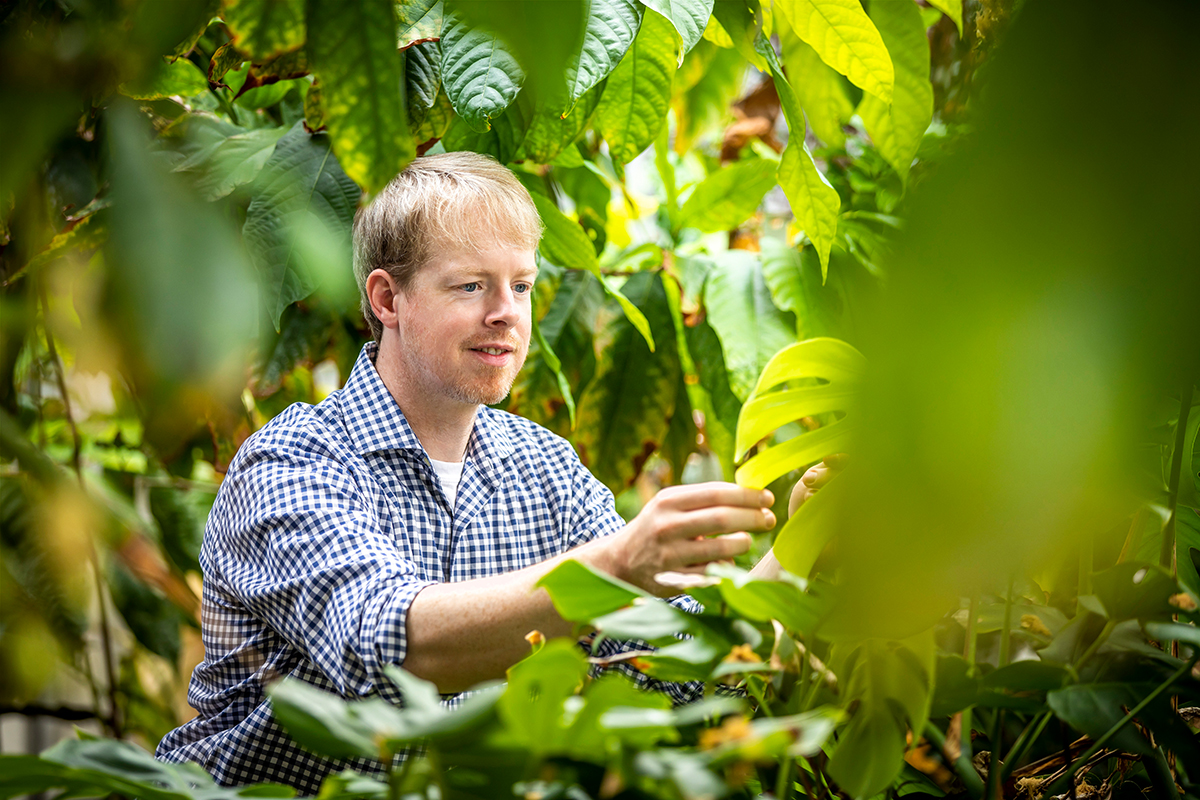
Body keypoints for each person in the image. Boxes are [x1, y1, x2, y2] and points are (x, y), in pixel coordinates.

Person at [156, 152, 837, 792]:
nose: (505, 313)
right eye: (471, 285)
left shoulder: (546, 469)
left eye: (521, 285)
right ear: (388, 300)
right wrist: (617, 565)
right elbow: (385, 648)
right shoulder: (293, 460)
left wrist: (799, 554)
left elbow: (684, 672)